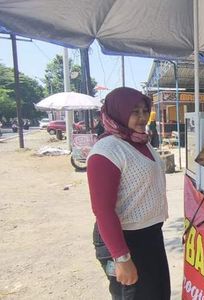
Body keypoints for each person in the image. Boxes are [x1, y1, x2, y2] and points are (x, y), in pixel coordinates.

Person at [86, 87, 170, 299]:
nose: (142, 117)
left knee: (158, 294)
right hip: (123, 240)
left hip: (150, 234)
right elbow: (103, 210)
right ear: (118, 113)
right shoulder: (107, 151)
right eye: (135, 112)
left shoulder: (141, 141)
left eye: (145, 110)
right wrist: (121, 258)